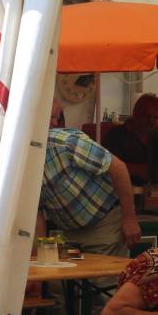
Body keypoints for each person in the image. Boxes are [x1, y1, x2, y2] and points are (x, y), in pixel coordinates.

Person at [39, 99, 142, 258]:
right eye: (51, 118)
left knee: (104, 282)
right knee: (75, 281)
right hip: (69, 236)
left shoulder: (65, 142)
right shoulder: (24, 161)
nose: (54, 124)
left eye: (57, 118)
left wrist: (129, 218)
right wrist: (38, 256)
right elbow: (37, 213)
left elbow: (118, 168)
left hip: (104, 226)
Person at [103, 93, 158, 186]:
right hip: (122, 193)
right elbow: (106, 165)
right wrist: (137, 170)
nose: (150, 121)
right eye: (146, 116)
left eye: (155, 117)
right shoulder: (116, 136)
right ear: (135, 113)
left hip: (157, 194)